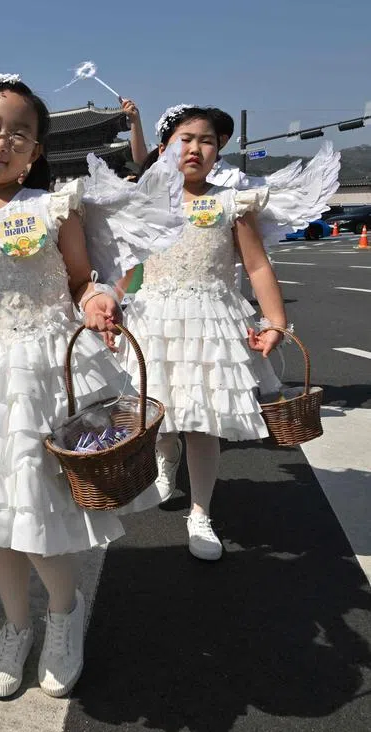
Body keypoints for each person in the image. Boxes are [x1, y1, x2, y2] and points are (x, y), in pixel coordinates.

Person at [0, 71, 153, 700]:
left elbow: (79, 281)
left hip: (46, 373)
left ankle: (63, 617)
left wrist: (96, 302)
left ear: (36, 151)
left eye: (22, 133)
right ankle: (15, 626)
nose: (4, 141)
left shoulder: (52, 206)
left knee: (42, 508)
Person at [122, 105, 288, 561]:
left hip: (213, 321)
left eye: (207, 140)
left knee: (204, 420)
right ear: (163, 148)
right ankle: (165, 456)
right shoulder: (146, 203)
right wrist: (110, 308)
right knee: (157, 413)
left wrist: (276, 321)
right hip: (153, 318)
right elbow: (128, 265)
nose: (195, 148)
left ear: (218, 150)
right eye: (185, 139)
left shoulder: (231, 202)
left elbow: (256, 265)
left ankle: (200, 512)